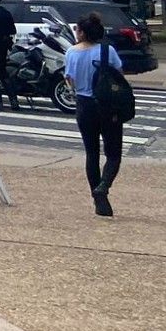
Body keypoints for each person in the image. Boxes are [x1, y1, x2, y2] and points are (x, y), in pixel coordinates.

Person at [66, 13, 126, 217]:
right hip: (107, 106)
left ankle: (97, 198)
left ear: (82, 32)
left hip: (84, 105)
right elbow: (119, 74)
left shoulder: (71, 53)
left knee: (92, 153)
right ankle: (104, 186)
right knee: (113, 153)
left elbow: (70, 80)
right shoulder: (107, 51)